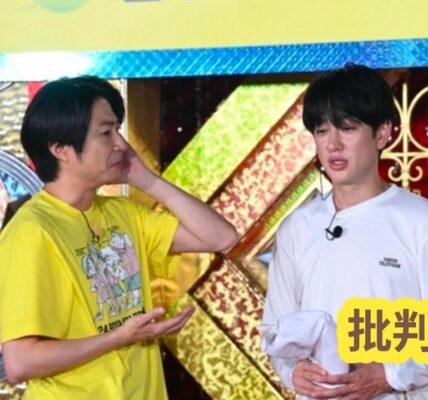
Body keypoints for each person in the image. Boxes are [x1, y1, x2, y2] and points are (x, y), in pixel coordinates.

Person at [0, 76, 239, 399]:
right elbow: (20, 362)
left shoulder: (122, 212)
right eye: (106, 133)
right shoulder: (32, 231)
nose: (121, 145)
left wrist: (147, 181)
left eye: (118, 130)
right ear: (60, 149)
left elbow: (221, 237)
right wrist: (118, 338)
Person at [261, 64, 428, 399]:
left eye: (347, 128)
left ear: (382, 133)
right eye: (322, 131)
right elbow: (275, 331)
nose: (333, 145)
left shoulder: (418, 220)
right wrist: (293, 372)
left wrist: (390, 375)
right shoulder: (297, 228)